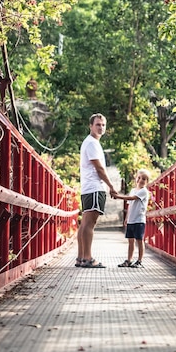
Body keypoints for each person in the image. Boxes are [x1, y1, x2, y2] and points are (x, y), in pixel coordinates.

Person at [76, 113, 117, 268]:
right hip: (94, 188)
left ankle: (81, 258)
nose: (101, 127)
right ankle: (88, 258)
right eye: (98, 124)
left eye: (103, 125)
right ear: (90, 126)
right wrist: (111, 187)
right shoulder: (92, 143)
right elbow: (99, 168)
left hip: (88, 188)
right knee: (89, 224)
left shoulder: (90, 142)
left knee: (85, 223)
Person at [113, 169, 150, 267]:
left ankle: (139, 260)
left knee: (139, 240)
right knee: (130, 241)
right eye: (139, 178)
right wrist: (126, 218)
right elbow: (130, 205)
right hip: (131, 220)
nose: (141, 180)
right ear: (136, 179)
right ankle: (129, 260)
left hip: (139, 220)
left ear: (147, 182)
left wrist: (118, 196)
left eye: (144, 179)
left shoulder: (144, 191)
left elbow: (132, 198)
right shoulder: (133, 190)